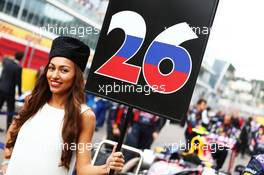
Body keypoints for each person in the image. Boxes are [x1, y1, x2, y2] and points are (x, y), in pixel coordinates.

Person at [0, 36, 124, 175]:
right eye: (52, 68)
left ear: (76, 76)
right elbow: (13, 128)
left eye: (64, 70)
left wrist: (106, 167)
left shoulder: (84, 116)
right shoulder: (33, 101)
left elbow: (83, 169)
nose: (54, 75)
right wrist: (6, 161)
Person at [0, 52, 23, 131]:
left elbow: (2, 74)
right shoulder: (18, 68)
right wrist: (20, 93)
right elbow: (18, 81)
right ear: (21, 59)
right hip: (10, 91)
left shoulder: (7, 62)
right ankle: (8, 129)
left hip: (1, 88)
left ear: (14, 56)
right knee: (10, 110)